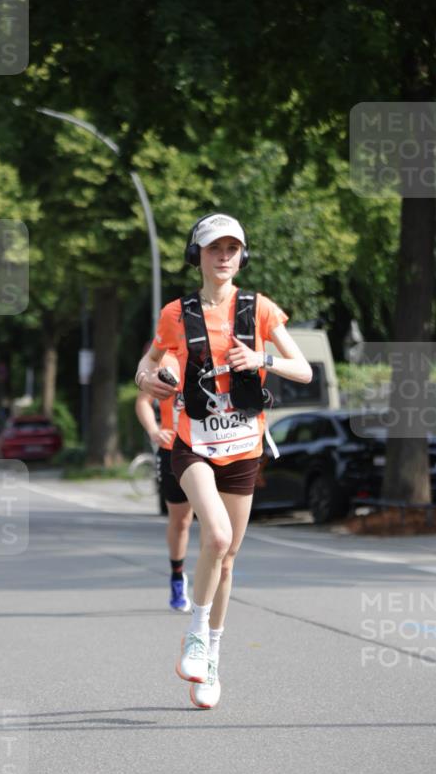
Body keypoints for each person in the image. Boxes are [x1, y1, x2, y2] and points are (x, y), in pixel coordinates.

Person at [134, 213, 312, 709]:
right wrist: (146, 381)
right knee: (216, 536)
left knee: (228, 558)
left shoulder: (259, 310)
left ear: (242, 256)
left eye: (233, 248)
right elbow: (147, 366)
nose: (225, 256)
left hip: (244, 447)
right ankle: (194, 634)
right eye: (215, 248)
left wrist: (262, 361)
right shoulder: (176, 313)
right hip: (192, 445)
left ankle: (211, 659)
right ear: (199, 255)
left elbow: (303, 368)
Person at [135, 350, 194, 612]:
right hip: (173, 448)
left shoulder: (218, 349)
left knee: (214, 523)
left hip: (211, 449)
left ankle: (213, 577)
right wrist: (154, 431)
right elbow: (143, 402)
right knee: (181, 520)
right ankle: (177, 576)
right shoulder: (165, 360)